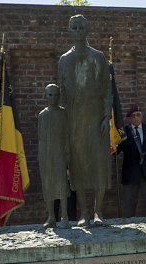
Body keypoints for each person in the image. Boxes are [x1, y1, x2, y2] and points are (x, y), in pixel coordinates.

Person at [58, 14, 112, 226]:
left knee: (99, 164)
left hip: (96, 116)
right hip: (74, 119)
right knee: (78, 166)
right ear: (70, 31)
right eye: (74, 27)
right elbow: (62, 92)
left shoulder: (98, 57)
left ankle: (98, 211)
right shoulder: (64, 59)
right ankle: (84, 213)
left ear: (87, 30)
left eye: (81, 27)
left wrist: (106, 116)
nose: (78, 31)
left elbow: (107, 90)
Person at [117, 106, 146, 218]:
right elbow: (116, 151)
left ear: (142, 116)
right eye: (133, 116)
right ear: (129, 119)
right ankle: (130, 232)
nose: (136, 118)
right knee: (129, 207)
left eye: (138, 115)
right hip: (130, 172)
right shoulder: (123, 132)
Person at [38, 84, 71, 229]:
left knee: (62, 184)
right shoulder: (42, 115)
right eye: (50, 95)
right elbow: (40, 138)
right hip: (46, 154)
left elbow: (67, 135)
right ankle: (51, 216)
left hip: (60, 153)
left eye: (56, 95)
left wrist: (68, 154)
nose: (53, 98)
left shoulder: (63, 113)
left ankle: (64, 216)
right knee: (48, 185)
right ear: (45, 96)